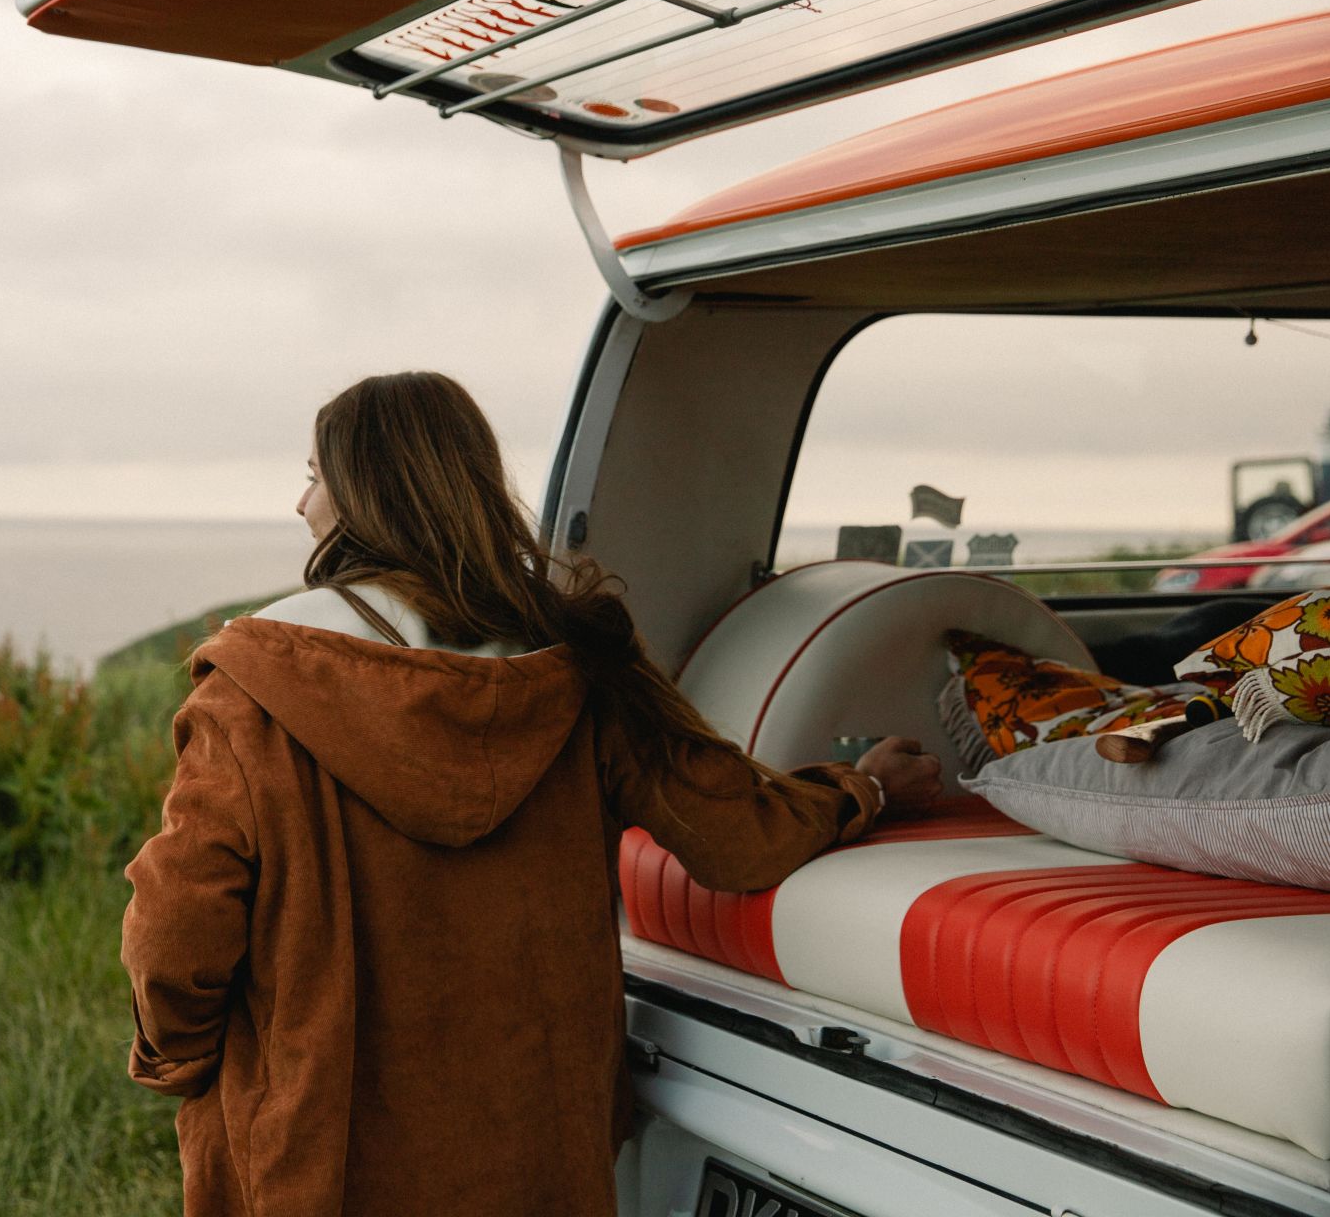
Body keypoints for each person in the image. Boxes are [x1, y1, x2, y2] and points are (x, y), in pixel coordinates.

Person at [121, 372, 942, 1217]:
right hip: (535, 1150)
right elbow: (739, 834)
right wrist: (865, 790)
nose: (302, 505)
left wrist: (177, 1055)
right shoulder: (576, 662)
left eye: (314, 477)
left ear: (367, 491)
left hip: (318, 1157)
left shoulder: (258, 686)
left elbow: (177, 926)